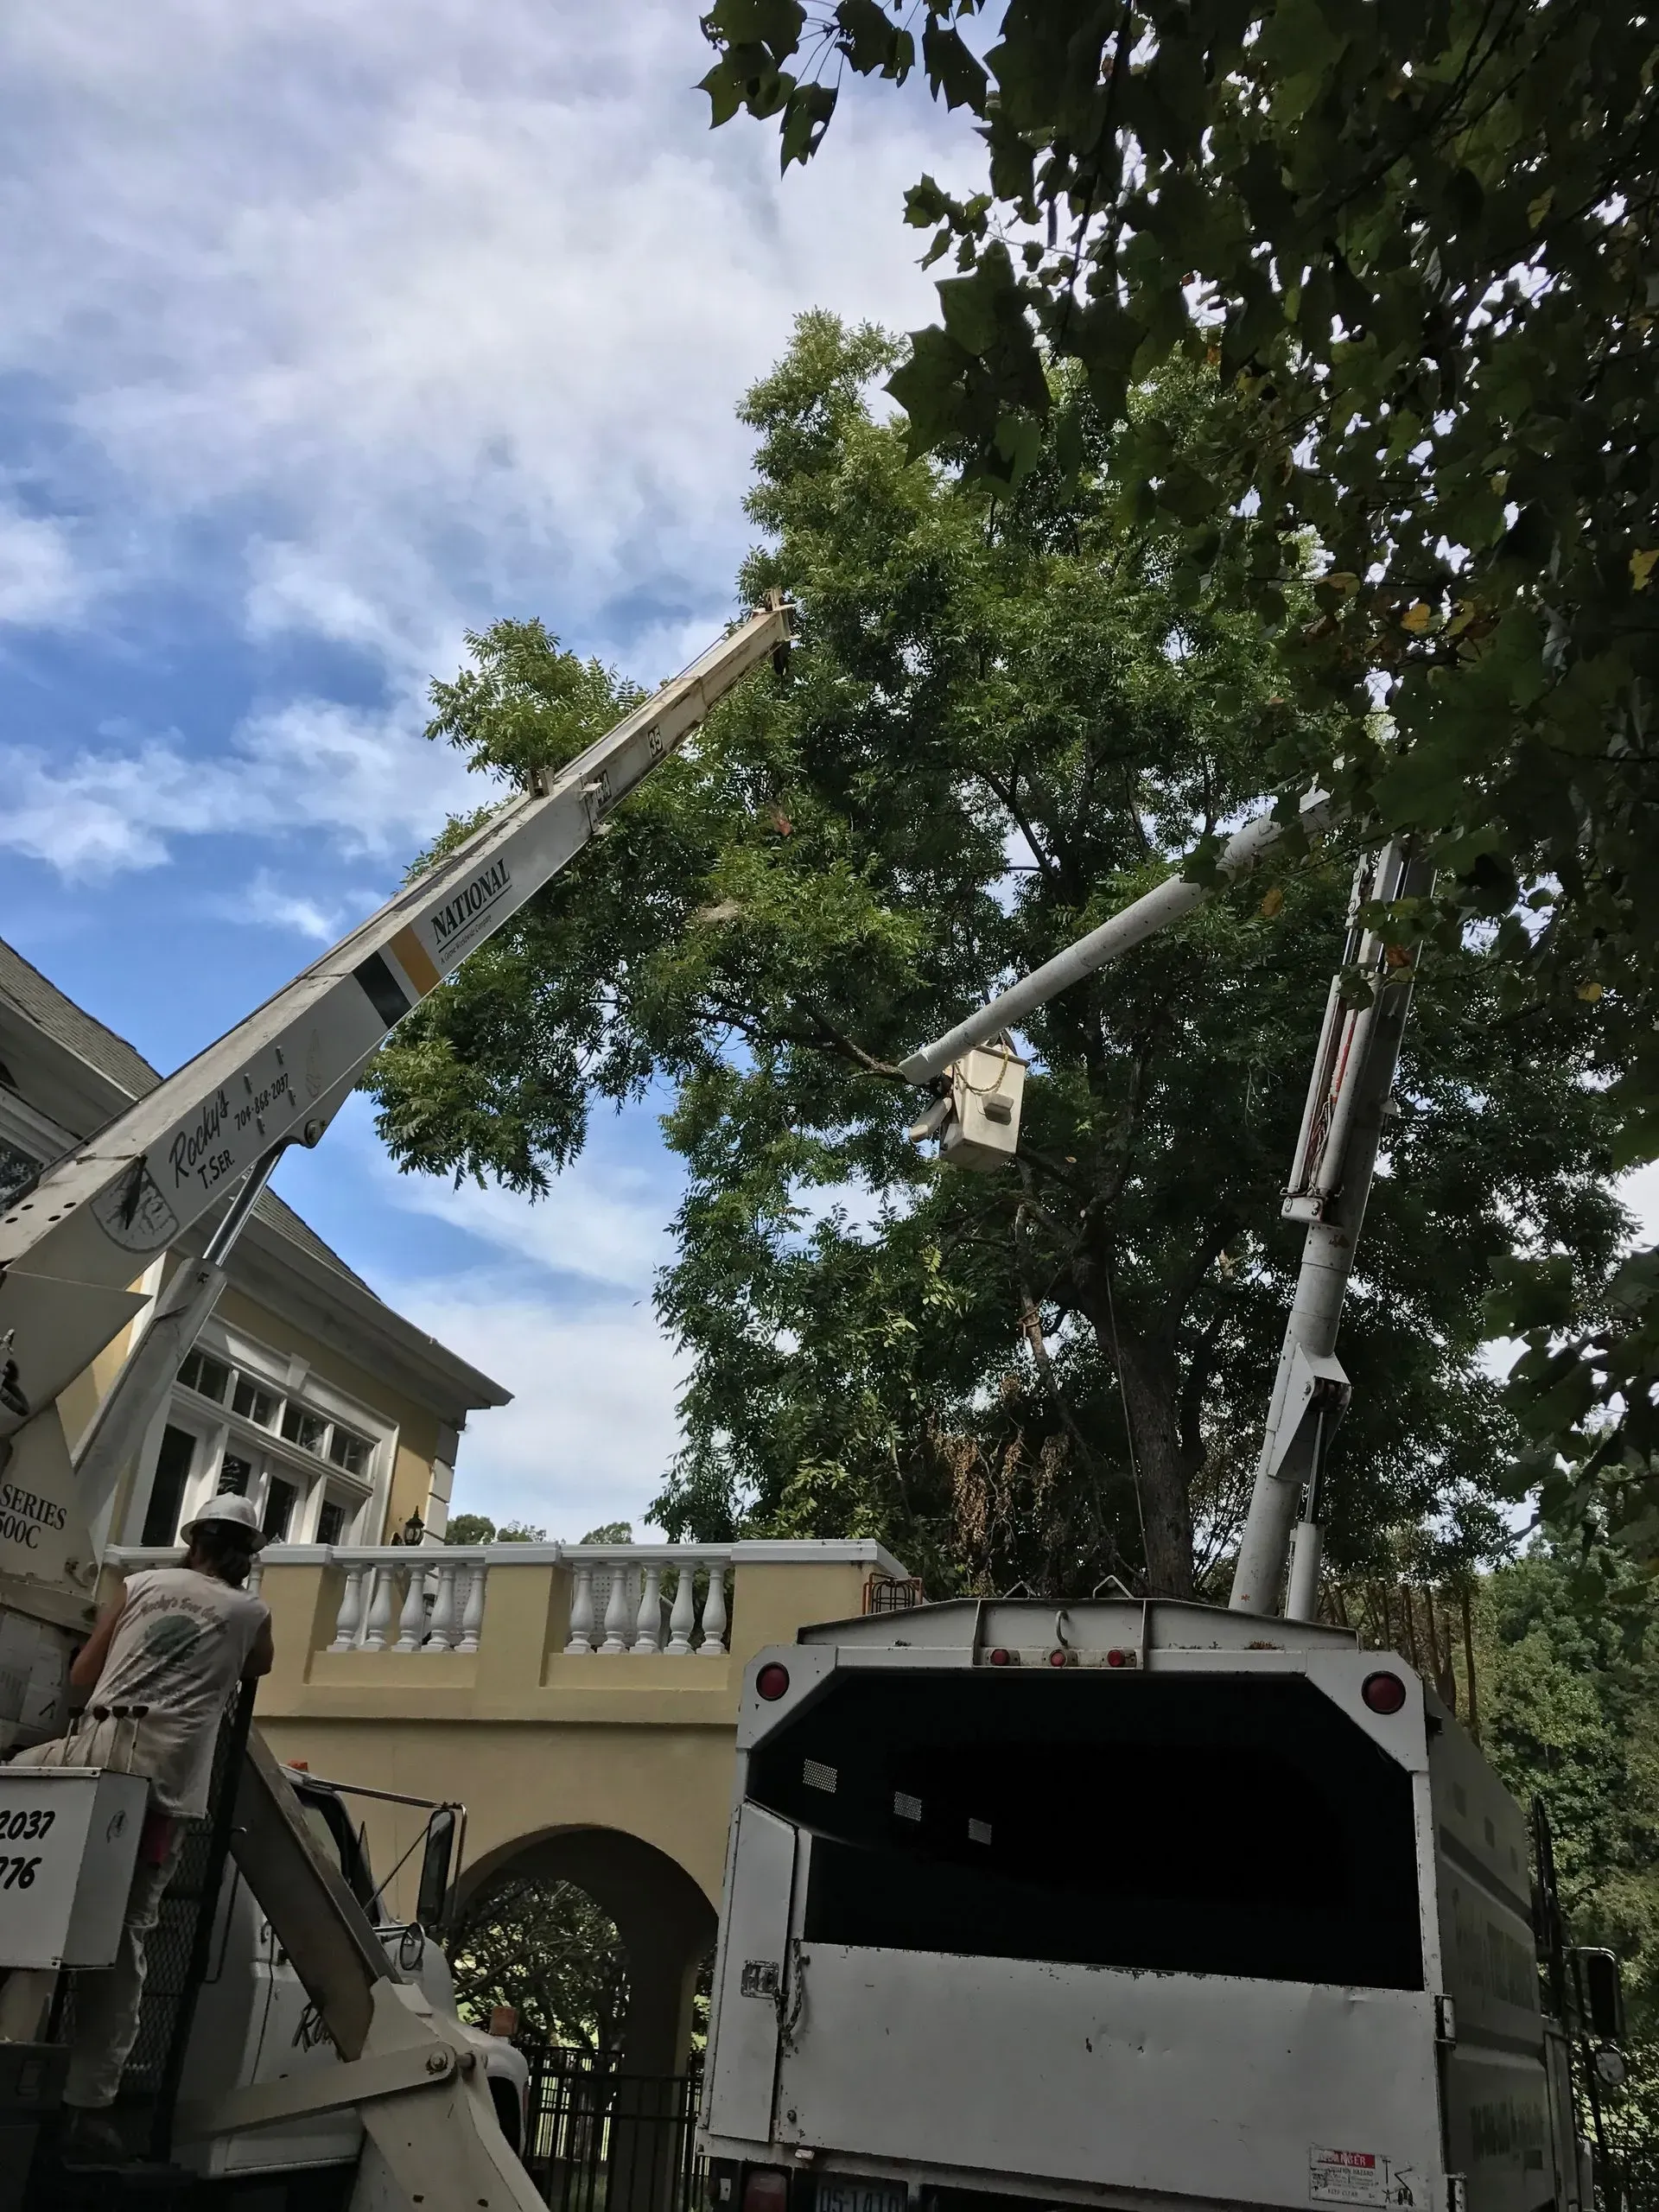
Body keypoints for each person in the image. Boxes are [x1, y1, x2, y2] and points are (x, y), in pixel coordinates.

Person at [1, 1491, 273, 2160]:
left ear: (194, 1540)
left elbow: (84, 1673)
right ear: (245, 1555)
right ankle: (89, 2102)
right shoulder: (250, 1611)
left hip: (84, 1762)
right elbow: (257, 1666)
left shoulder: (141, 1583)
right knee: (120, 1940)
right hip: (155, 1792)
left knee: (24, 1888)